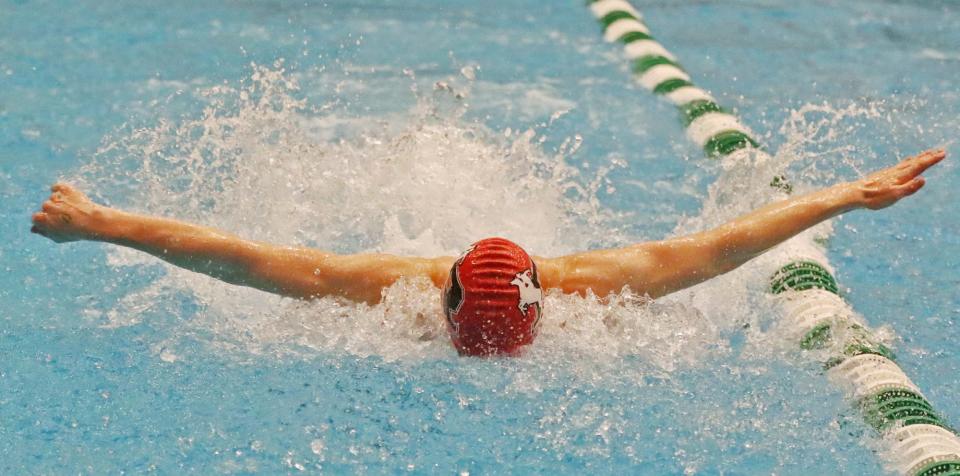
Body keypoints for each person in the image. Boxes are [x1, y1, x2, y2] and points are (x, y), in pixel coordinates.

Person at [31, 149, 946, 356]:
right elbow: (714, 250)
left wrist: (98, 222)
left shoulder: (408, 293)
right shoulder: (590, 294)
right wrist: (845, 196)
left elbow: (245, 259)